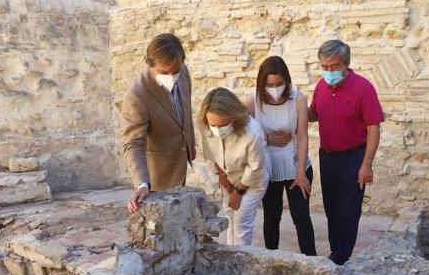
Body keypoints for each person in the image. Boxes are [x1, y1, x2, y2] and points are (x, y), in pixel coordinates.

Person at [309, 38, 384, 265]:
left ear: (346, 64)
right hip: (327, 155)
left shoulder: (363, 88)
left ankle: (342, 255)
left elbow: (373, 128)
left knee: (348, 208)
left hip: (354, 156)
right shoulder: (321, 87)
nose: (329, 71)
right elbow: (313, 114)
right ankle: (336, 251)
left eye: (334, 66)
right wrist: (292, 107)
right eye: (324, 67)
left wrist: (367, 163)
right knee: (331, 206)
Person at [245, 56, 316, 256]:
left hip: (296, 164)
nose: (275, 88)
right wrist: (268, 138)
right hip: (268, 167)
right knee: (271, 216)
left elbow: (302, 136)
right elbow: (245, 136)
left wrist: (301, 173)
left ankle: (312, 261)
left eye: (279, 84)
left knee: (301, 216)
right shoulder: (253, 102)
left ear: (286, 81)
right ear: (262, 83)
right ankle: (271, 259)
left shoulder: (298, 98)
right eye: (269, 84)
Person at [121, 33, 196, 213]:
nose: (171, 76)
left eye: (175, 71)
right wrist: (142, 183)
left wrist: (191, 142)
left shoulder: (183, 71)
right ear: (150, 64)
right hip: (157, 177)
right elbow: (133, 143)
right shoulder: (137, 95)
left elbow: (186, 107)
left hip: (180, 164)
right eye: (164, 72)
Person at [199, 87, 269, 246]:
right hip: (227, 176)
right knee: (230, 216)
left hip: (253, 179)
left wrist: (238, 191)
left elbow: (255, 167)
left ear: (234, 117)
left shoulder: (252, 133)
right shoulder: (206, 127)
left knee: (241, 222)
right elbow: (211, 155)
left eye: (222, 124)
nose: (217, 130)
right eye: (213, 125)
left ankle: (242, 263)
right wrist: (224, 179)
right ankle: (231, 258)